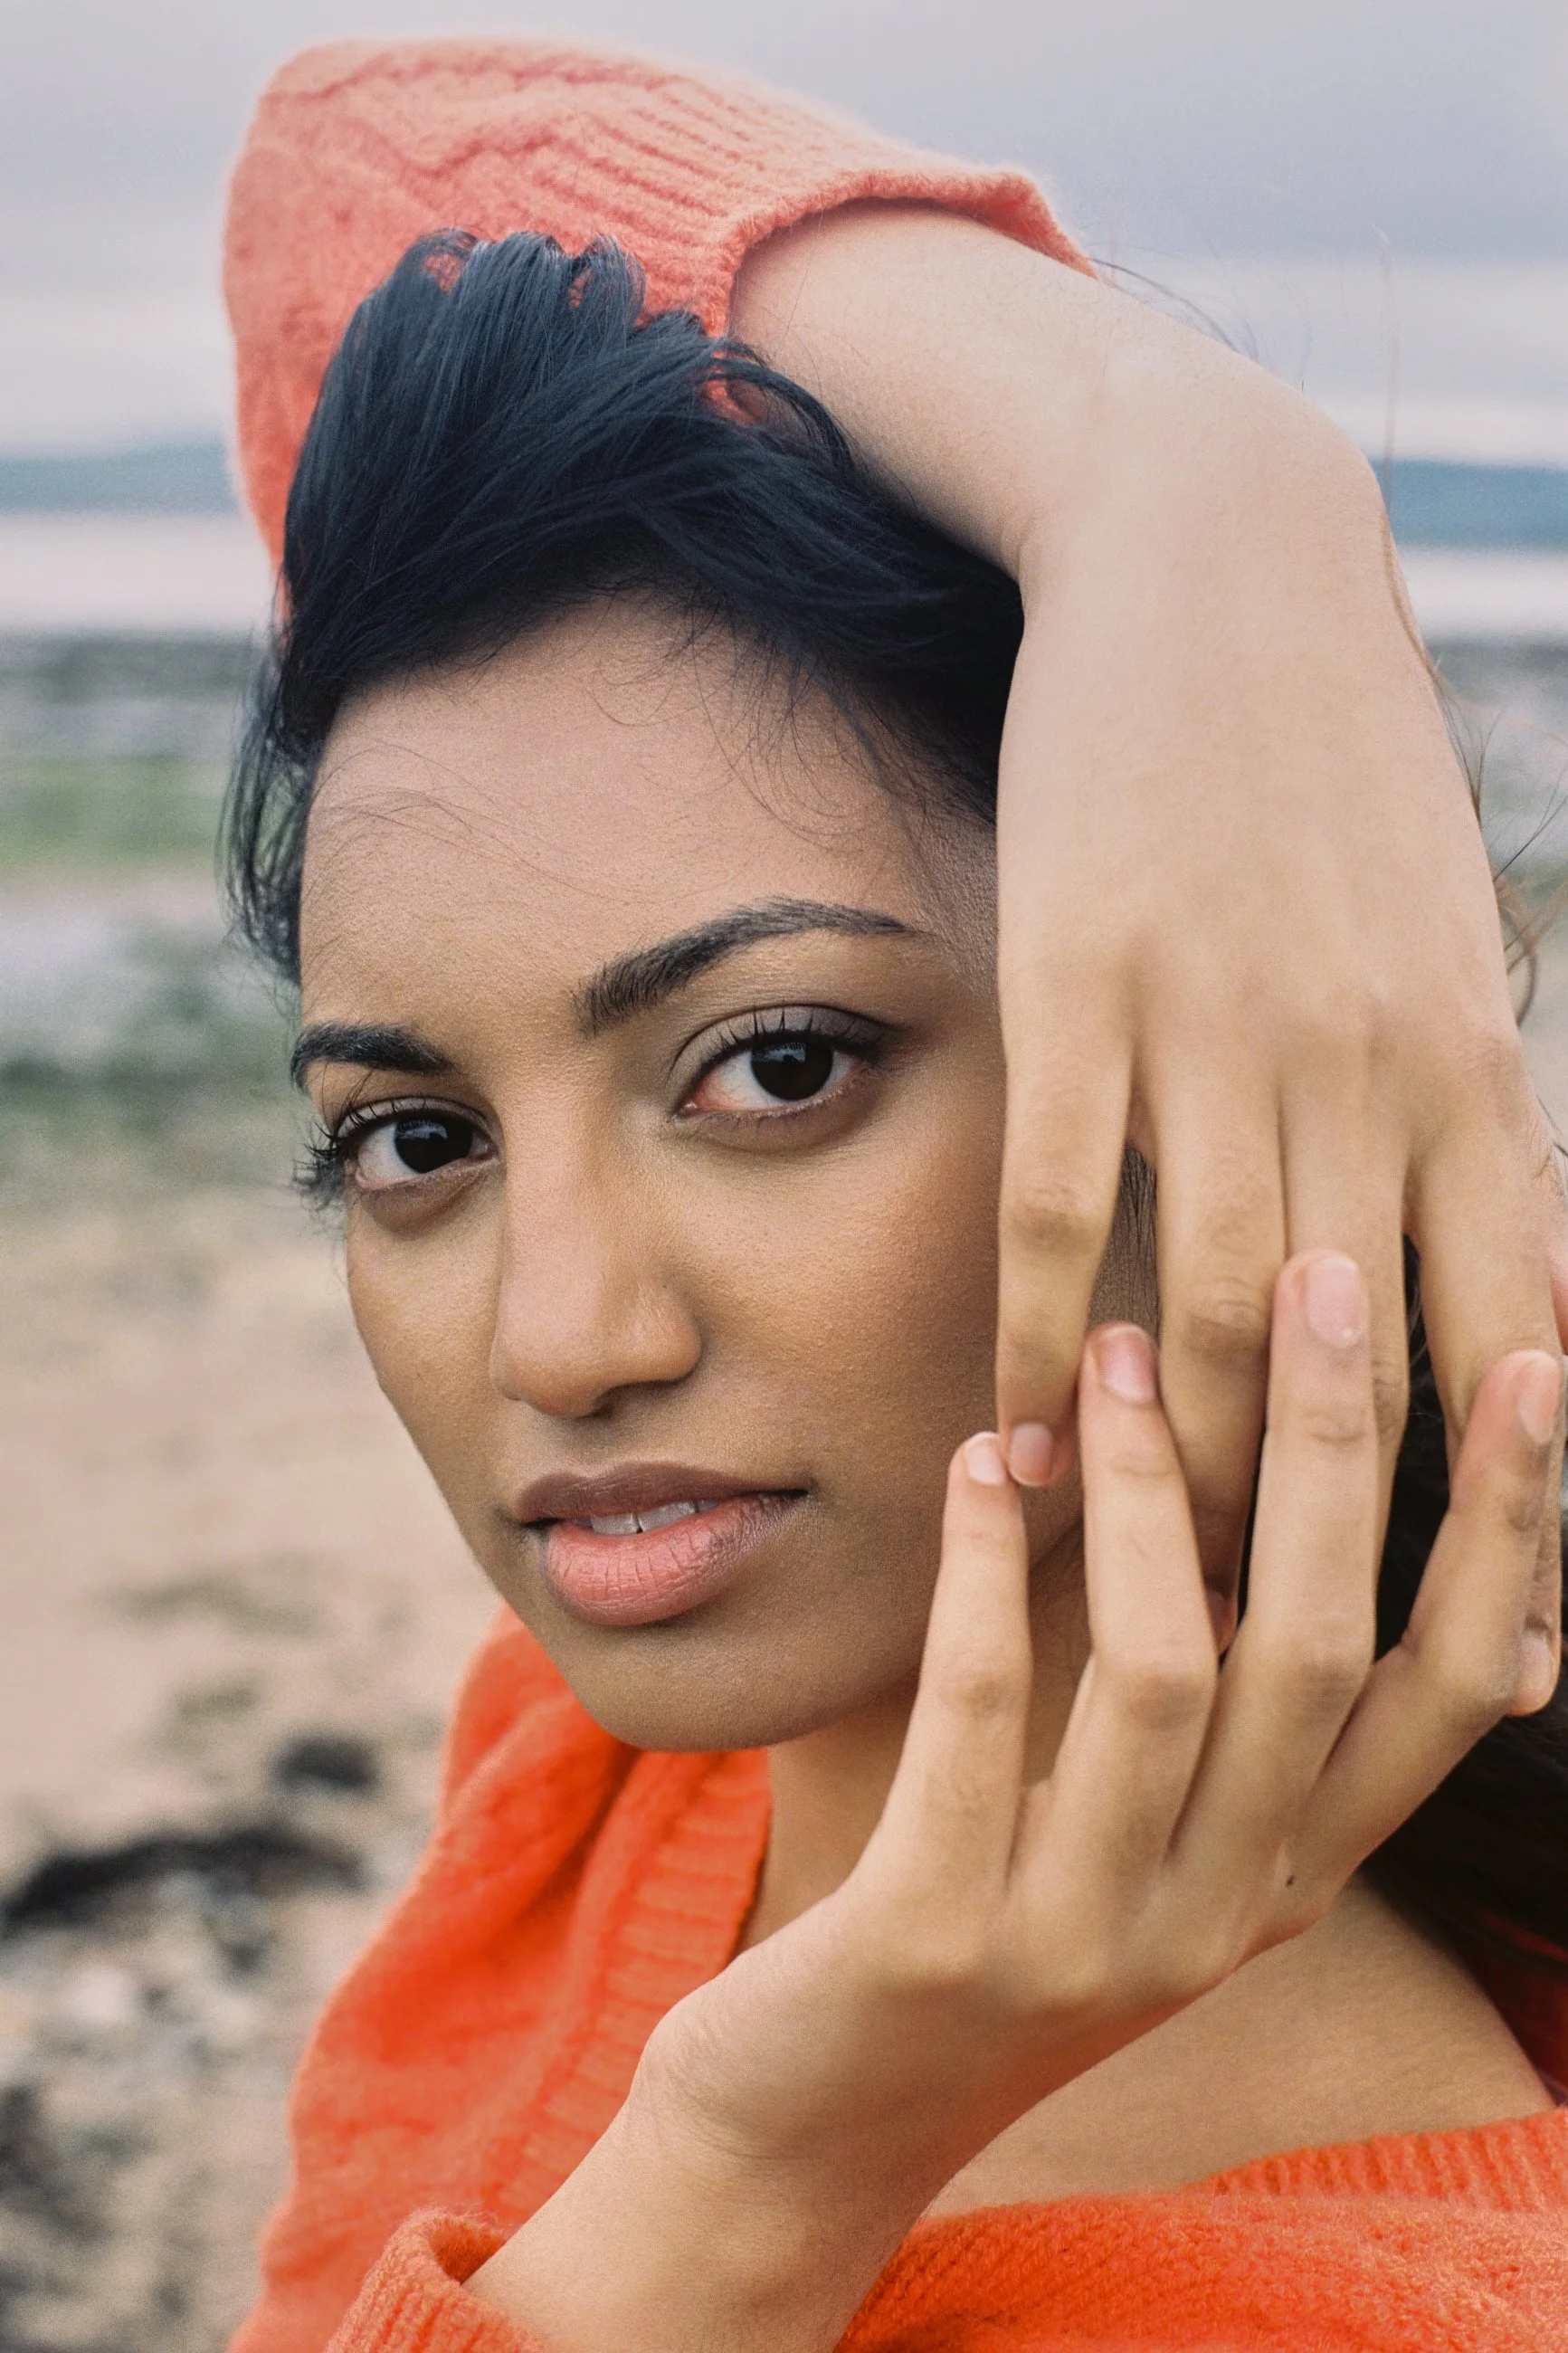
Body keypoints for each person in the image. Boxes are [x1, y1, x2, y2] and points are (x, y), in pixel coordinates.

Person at [219, 41, 1568, 2352]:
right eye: (416, 1139)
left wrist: (763, 2176)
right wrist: (1173, 475)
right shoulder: (605, 1789)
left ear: (1219, 1074)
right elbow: (345, 170)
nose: (559, 1338)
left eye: (772, 1067)